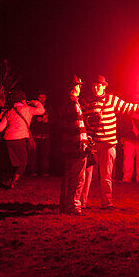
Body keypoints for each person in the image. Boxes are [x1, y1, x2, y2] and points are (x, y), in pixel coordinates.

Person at [81, 75, 139, 209]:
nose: (97, 87)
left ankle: (107, 203)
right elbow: (82, 121)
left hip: (109, 144)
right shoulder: (87, 102)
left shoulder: (112, 100)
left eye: (99, 85)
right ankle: (82, 202)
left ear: (104, 86)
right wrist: (91, 121)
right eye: (94, 85)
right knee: (87, 175)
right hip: (93, 145)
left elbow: (130, 108)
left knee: (107, 175)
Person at [0, 89, 45, 189]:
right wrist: (33, 102)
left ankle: (1, 180)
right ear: (23, 100)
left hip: (8, 139)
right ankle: (13, 183)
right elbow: (42, 110)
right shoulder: (27, 109)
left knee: (11, 163)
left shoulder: (9, 111)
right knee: (23, 163)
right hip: (20, 138)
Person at [56, 77, 91, 215]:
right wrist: (82, 144)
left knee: (68, 177)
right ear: (74, 87)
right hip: (76, 148)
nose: (80, 88)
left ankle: (64, 205)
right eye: (79, 86)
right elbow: (77, 126)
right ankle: (74, 206)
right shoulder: (74, 104)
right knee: (78, 178)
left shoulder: (65, 104)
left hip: (67, 146)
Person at [29, 92, 50, 176]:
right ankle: (33, 171)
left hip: (46, 135)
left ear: (46, 98)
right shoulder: (33, 108)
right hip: (35, 135)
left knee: (45, 155)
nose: (41, 99)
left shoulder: (49, 108)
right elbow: (29, 119)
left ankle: (44, 171)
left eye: (43, 97)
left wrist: (48, 120)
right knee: (34, 154)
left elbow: (55, 119)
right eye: (40, 97)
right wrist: (36, 120)